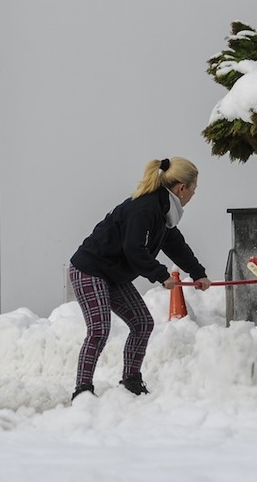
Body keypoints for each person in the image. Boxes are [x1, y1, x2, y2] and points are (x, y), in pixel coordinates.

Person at [68, 157, 211, 400]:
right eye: (194, 189)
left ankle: (131, 380)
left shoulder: (163, 212)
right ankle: (82, 390)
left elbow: (176, 246)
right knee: (99, 329)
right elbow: (134, 249)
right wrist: (161, 275)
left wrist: (199, 273)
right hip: (90, 269)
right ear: (181, 188)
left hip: (114, 274)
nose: (194, 194)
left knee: (143, 323)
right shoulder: (145, 208)